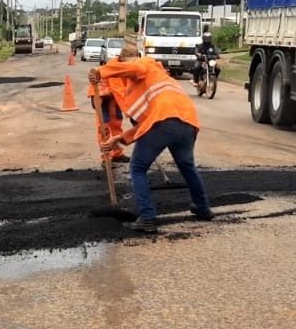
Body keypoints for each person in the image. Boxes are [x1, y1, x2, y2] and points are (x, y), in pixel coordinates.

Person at [90, 35, 212, 233]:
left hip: (165, 122)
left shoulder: (145, 64)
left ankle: (147, 218)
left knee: (137, 168)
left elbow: (157, 120)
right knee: (187, 167)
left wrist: (101, 71)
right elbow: (149, 123)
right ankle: (203, 208)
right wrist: (119, 139)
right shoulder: (160, 79)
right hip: (187, 122)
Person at [86, 73, 128, 163]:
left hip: (115, 96)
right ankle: (106, 156)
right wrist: (95, 99)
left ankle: (117, 154)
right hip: (102, 97)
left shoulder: (125, 69)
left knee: (116, 125)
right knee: (103, 128)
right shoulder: (103, 71)